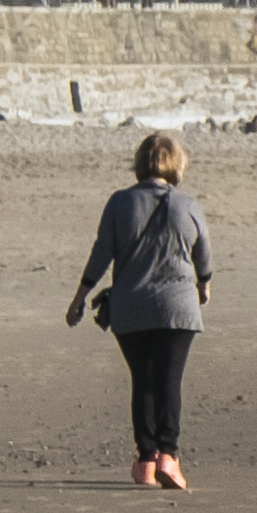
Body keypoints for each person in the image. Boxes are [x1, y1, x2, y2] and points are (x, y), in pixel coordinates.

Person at [66, 135, 215, 488]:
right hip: (177, 307)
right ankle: (169, 455)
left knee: (143, 381)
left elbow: (102, 253)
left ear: (139, 163)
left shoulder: (119, 203)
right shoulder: (188, 205)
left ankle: (145, 460)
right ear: (177, 164)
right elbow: (203, 251)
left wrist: (79, 297)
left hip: (130, 306)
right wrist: (204, 285)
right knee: (169, 380)